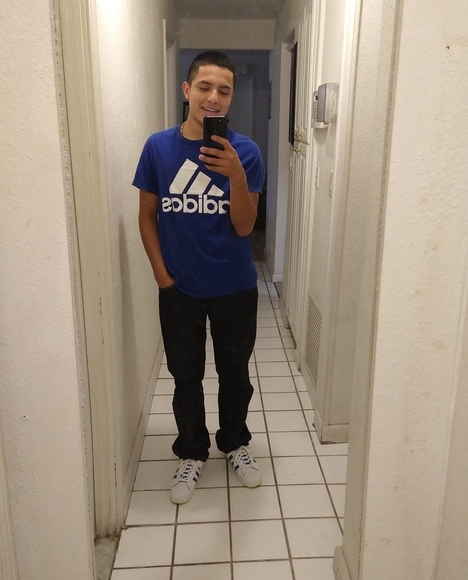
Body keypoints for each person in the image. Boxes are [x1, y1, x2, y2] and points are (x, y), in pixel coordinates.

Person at [133, 51, 265, 505]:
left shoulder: (246, 152)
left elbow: (245, 227)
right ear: (187, 90)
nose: (214, 97)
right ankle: (191, 451)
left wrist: (236, 177)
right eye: (205, 87)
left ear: (231, 98)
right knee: (185, 377)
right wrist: (161, 278)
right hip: (180, 288)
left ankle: (235, 443)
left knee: (235, 375)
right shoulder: (158, 147)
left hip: (235, 285)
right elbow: (146, 216)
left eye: (224, 90)